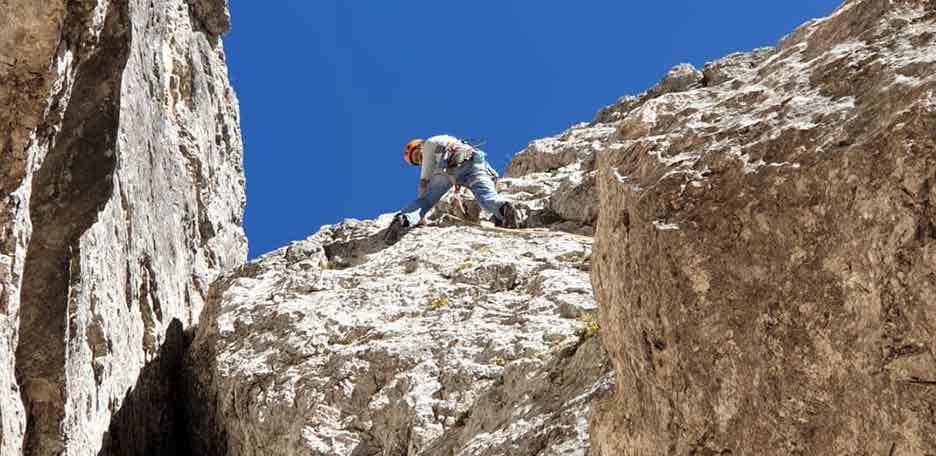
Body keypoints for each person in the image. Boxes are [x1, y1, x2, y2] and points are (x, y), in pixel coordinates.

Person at [383, 135, 521, 245]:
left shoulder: (430, 143)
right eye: (418, 161)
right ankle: (503, 209)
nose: (421, 161)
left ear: (421, 146)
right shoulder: (453, 141)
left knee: (426, 199)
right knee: (486, 196)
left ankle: (404, 219)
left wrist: (420, 215)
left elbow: (424, 183)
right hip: (475, 164)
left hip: (450, 168)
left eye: (419, 157)